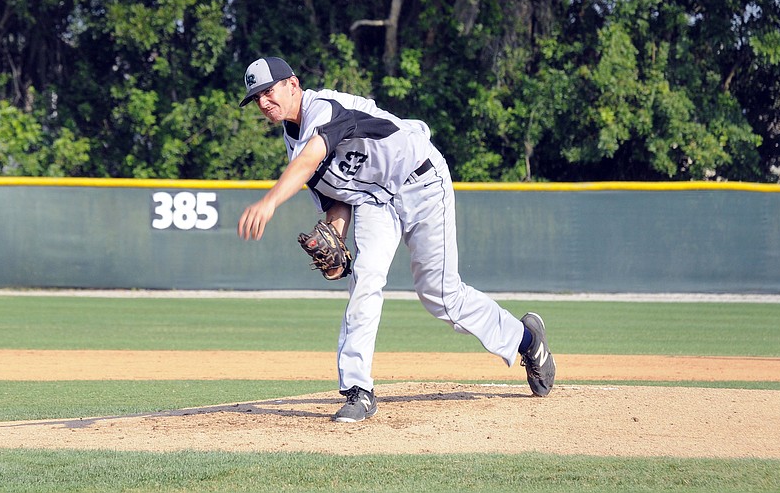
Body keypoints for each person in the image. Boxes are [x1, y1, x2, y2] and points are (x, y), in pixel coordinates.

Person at [237, 56, 556, 422]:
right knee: (365, 280)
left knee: (441, 296)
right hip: (374, 200)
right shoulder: (291, 144)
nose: (263, 102)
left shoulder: (322, 108)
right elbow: (336, 201)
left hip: (420, 179)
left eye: (268, 90)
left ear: (292, 83)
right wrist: (335, 242)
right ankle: (359, 390)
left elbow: (314, 156)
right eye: (256, 97)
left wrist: (269, 201)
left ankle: (528, 341)